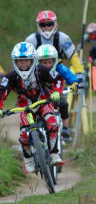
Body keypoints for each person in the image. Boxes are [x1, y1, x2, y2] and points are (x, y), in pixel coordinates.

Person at [0, 42, 64, 173]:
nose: (23, 64)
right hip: (25, 106)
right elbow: (0, 90)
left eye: (26, 60)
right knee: (24, 135)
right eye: (20, 61)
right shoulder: (11, 76)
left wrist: (56, 91)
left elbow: (58, 79)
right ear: (15, 62)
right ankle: (28, 160)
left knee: (52, 122)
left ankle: (53, 153)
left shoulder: (41, 70)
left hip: (43, 101)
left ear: (33, 60)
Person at [25, 10, 83, 140]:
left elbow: (73, 55)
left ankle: (66, 129)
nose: (46, 27)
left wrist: (78, 74)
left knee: (61, 101)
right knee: (33, 102)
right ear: (38, 25)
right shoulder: (31, 40)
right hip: (37, 75)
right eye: (43, 24)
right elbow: (24, 61)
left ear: (55, 24)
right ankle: (31, 128)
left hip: (57, 72)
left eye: (49, 24)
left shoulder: (63, 38)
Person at [36, 44, 78, 141]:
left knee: (64, 103)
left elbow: (68, 74)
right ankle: (35, 129)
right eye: (44, 62)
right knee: (36, 108)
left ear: (54, 61)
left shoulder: (59, 67)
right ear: (38, 62)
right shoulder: (36, 70)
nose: (47, 65)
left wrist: (74, 82)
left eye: (50, 62)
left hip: (57, 93)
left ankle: (66, 129)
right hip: (41, 96)